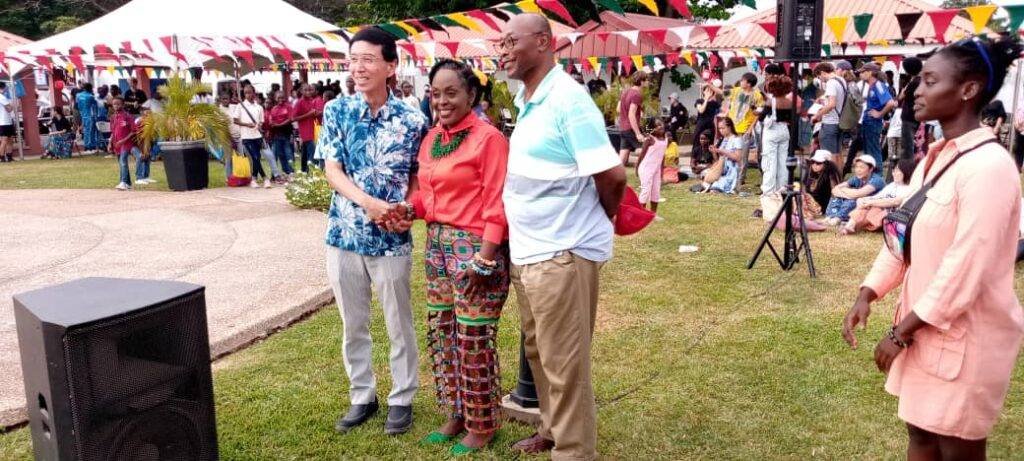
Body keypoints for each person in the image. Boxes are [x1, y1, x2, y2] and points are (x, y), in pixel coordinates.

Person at [843, 37, 1024, 461]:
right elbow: (901, 232)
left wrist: (900, 333)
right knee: (921, 436)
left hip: (964, 339)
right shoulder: (934, 159)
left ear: (968, 89)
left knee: (956, 445)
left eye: (928, 80)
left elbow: (966, 268)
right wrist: (868, 292)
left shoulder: (990, 168)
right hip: (922, 330)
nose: (915, 91)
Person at [498, 14, 627, 460]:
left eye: (511, 41)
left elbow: (612, 175)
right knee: (539, 351)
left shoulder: (568, 100)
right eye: (501, 42)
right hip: (531, 251)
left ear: (542, 42)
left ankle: (572, 452)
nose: (503, 50)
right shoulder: (529, 98)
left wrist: (595, 221)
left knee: (564, 364)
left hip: (561, 254)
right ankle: (552, 430)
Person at [381, 59, 510, 456]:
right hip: (436, 248)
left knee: (473, 338)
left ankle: (482, 425)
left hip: (475, 250)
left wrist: (484, 260)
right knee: (443, 332)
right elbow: (427, 196)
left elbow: (497, 204)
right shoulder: (433, 138)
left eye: (451, 92)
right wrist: (406, 209)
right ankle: (456, 413)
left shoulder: (488, 139)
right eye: (435, 94)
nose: (441, 101)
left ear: (471, 95)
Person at [321, 28, 428, 436]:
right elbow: (333, 170)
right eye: (352, 59)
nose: (359, 67)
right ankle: (361, 395)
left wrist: (408, 209)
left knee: (399, 321)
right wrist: (369, 203)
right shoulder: (337, 111)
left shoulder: (413, 119)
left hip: (392, 239)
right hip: (343, 234)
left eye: (368, 59)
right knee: (354, 322)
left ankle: (402, 397)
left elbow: (418, 177)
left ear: (390, 66)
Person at [839, 158, 914, 235]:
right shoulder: (892, 185)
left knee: (874, 209)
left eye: (897, 171)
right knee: (866, 206)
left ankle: (852, 225)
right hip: (879, 213)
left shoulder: (909, 188)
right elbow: (878, 196)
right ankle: (850, 226)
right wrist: (863, 200)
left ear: (906, 171)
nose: (894, 173)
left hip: (892, 216)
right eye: (893, 170)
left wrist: (870, 202)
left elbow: (895, 201)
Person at [760, 64, 799, 195]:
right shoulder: (789, 102)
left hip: (772, 131)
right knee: (783, 161)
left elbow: (761, 117)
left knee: (770, 161)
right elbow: (792, 118)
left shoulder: (771, 101)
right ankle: (781, 189)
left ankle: (768, 191)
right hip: (784, 131)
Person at [722, 73, 764, 185]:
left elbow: (758, 114)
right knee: (729, 153)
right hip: (732, 130)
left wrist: (750, 128)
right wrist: (709, 85)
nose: (740, 81)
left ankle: (740, 180)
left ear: (748, 83)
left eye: (742, 80)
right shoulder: (736, 91)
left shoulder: (757, 95)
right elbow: (722, 92)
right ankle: (729, 176)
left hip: (744, 130)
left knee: (742, 157)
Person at [823, 155, 885, 225]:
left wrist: (846, 192)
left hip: (872, 207)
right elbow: (835, 189)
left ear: (871, 169)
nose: (858, 170)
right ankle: (831, 216)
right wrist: (849, 194)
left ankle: (838, 218)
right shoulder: (857, 178)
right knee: (836, 197)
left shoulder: (876, 180)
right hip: (859, 203)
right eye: (856, 167)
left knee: (853, 200)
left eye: (862, 167)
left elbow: (859, 194)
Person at [857, 62, 896, 168]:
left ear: (870, 72)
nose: (860, 74)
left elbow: (890, 103)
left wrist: (879, 114)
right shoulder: (872, 85)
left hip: (873, 122)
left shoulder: (878, 85)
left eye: (863, 72)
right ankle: (870, 174)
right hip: (868, 121)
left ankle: (878, 175)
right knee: (868, 151)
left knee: (873, 151)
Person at [233, 85, 272, 189]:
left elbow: (261, 121)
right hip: (246, 136)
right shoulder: (240, 106)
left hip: (257, 136)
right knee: (255, 156)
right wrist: (247, 124)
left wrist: (259, 125)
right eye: (246, 93)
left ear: (254, 93)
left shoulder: (259, 107)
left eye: (250, 92)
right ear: (244, 94)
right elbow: (235, 120)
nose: (248, 95)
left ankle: (254, 179)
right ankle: (265, 178)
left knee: (257, 157)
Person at [700, 118, 744, 194]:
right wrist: (714, 152)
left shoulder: (737, 139)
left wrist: (722, 151)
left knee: (715, 188)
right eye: (719, 128)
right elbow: (718, 160)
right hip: (721, 169)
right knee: (704, 174)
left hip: (731, 171)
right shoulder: (723, 139)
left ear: (729, 127)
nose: (721, 130)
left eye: (723, 128)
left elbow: (738, 158)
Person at [811, 62, 847, 156]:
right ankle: (839, 171)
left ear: (822, 72)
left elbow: (831, 104)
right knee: (837, 154)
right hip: (840, 121)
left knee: (828, 155)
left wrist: (817, 115)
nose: (820, 80)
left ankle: (831, 171)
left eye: (819, 77)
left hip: (830, 123)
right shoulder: (841, 80)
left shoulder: (831, 83)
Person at [636, 118, 669, 217]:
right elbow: (642, 154)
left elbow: (662, 156)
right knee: (646, 190)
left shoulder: (665, 139)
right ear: (652, 129)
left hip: (656, 170)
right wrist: (637, 168)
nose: (660, 126)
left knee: (655, 190)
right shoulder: (650, 139)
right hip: (646, 168)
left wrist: (662, 172)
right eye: (657, 125)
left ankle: (653, 214)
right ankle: (641, 214)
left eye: (661, 124)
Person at [292, 83, 325, 174]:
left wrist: (316, 113)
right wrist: (309, 114)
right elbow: (293, 118)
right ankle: (313, 172)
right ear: (301, 91)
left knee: (305, 153)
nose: (308, 92)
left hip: (313, 129)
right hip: (305, 131)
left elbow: (314, 113)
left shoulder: (311, 100)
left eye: (310, 90)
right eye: (306, 90)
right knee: (313, 153)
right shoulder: (299, 102)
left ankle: (304, 171)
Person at [617, 71, 647, 165]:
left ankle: (616, 176)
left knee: (623, 155)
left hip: (623, 127)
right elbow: (631, 114)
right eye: (646, 80)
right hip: (631, 128)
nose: (647, 82)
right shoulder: (636, 94)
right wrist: (638, 133)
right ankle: (642, 170)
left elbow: (618, 109)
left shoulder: (625, 92)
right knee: (644, 148)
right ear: (641, 82)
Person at [109, 97, 138, 190]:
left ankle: (123, 182)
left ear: (123, 105)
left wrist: (123, 140)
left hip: (126, 144)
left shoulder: (128, 116)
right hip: (116, 144)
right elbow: (113, 132)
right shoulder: (113, 117)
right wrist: (110, 142)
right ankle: (128, 183)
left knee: (123, 162)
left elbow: (133, 131)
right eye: (114, 104)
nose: (116, 106)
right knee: (121, 163)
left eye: (118, 104)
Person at [691, 83, 721, 169]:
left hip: (710, 126)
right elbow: (701, 110)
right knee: (697, 143)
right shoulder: (699, 101)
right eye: (707, 90)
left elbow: (722, 109)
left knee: (709, 144)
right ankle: (694, 163)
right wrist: (706, 98)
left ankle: (709, 163)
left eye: (711, 90)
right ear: (703, 91)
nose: (709, 92)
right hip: (701, 126)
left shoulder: (714, 103)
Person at [898, 57, 923, 160]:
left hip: (909, 117)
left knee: (907, 147)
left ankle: (908, 169)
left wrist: (904, 90)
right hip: (917, 116)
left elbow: (901, 97)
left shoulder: (913, 83)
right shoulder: (921, 81)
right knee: (917, 145)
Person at [266, 91, 295, 177]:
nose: (281, 99)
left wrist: (278, 124)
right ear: (275, 98)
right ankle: (275, 174)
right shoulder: (274, 109)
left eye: (282, 97)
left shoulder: (289, 107)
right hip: (276, 135)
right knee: (277, 154)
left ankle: (291, 172)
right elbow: (271, 120)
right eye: (279, 98)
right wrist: (272, 123)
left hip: (287, 134)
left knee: (288, 153)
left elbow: (290, 119)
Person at [219, 93, 240, 181]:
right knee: (229, 158)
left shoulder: (233, 107)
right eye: (223, 99)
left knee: (240, 157)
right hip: (227, 137)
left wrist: (238, 101)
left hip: (238, 135)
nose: (225, 100)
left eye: (227, 99)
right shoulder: (219, 111)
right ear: (221, 100)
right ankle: (229, 178)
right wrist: (231, 140)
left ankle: (241, 175)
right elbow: (223, 127)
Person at [76, 82, 100, 153]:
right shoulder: (91, 96)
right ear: (90, 88)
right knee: (91, 131)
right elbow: (95, 106)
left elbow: (78, 105)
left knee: (86, 131)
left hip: (83, 115)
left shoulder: (78, 95)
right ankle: (90, 147)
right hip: (90, 115)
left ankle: (86, 146)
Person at [0, 82, 13, 163]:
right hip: (4, 121)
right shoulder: (2, 97)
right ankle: (2, 157)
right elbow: (9, 109)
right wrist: (12, 105)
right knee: (5, 140)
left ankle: (8, 156)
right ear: (3, 88)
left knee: (9, 139)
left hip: (6, 121)